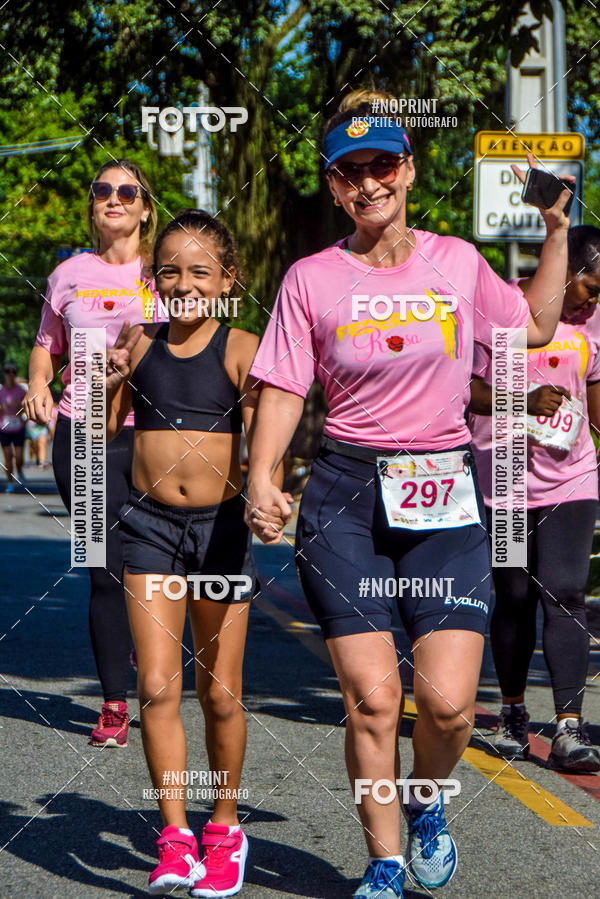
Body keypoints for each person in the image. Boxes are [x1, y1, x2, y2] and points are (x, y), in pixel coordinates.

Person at [244, 88, 572, 898]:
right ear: (334, 186)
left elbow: (532, 326)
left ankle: (425, 797)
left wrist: (557, 230)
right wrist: (261, 474)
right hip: (346, 494)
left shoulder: (456, 262)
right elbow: (285, 386)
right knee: (373, 700)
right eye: (349, 171)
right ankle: (383, 862)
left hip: (443, 495)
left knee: (451, 707)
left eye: (382, 165)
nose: (368, 183)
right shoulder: (311, 279)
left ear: (409, 170)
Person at [106, 209, 284, 897]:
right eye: (171, 271)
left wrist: (269, 490)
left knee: (218, 691)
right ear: (154, 279)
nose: (184, 283)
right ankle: (175, 835)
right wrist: (108, 376)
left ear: (227, 279)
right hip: (149, 526)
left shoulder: (242, 347)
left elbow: (268, 431)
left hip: (220, 534)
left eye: (200, 271)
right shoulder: (140, 342)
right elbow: (102, 423)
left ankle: (225, 825)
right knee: (156, 686)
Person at [23, 159, 160, 747]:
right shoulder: (68, 274)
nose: (114, 198)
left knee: (148, 568)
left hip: (152, 432)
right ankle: (112, 701)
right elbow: (44, 346)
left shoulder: (164, 272)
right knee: (103, 569)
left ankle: (148, 660)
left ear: (146, 208)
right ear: (92, 204)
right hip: (82, 433)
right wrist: (37, 385)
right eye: (102, 189)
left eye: (127, 191)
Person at [469, 224, 600, 772]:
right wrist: (521, 400)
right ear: (567, 270)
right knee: (516, 596)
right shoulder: (503, 308)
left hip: (572, 477)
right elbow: (466, 389)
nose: (595, 298)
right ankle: (513, 713)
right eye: (592, 285)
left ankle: (570, 726)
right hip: (504, 477)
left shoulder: (594, 325)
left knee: (566, 592)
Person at [0, 361, 27, 492]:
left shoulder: (21, 391)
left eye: (13, 372)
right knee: (8, 456)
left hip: (18, 427)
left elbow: (26, 410)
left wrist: (19, 408)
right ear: (4, 374)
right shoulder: (0, 391)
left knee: (19, 456)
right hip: (4, 428)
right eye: (7, 372)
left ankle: (20, 471)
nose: (10, 375)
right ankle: (10, 482)